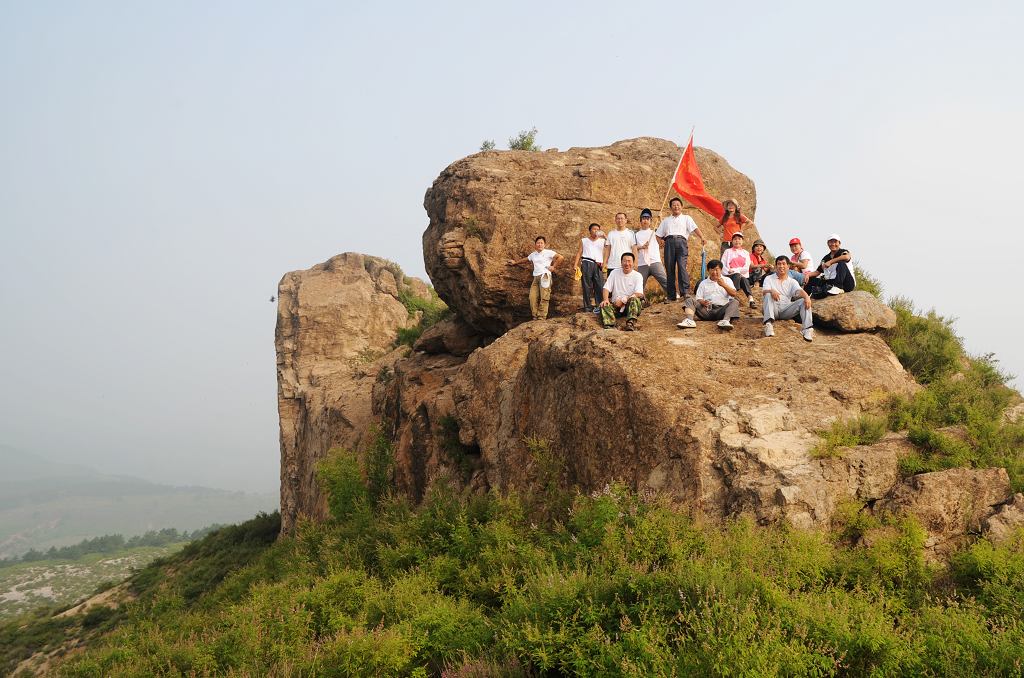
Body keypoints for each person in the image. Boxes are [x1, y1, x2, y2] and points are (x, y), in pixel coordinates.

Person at [655, 197, 708, 301]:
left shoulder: (687, 218)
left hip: (681, 242)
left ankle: (685, 292)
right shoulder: (666, 220)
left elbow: (695, 228)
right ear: (670, 208)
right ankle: (671, 296)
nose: (676, 206)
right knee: (669, 269)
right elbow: (658, 234)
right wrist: (660, 241)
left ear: (681, 206)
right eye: (673, 205)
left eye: (678, 204)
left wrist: (702, 237)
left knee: (682, 266)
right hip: (669, 242)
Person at [505, 236, 564, 321]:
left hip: (545, 276)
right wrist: (515, 262)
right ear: (535, 245)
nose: (540, 244)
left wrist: (553, 267)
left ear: (544, 244)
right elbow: (526, 259)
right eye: (538, 243)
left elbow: (561, 257)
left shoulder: (548, 252)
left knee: (544, 297)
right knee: (532, 297)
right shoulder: (533, 254)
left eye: (541, 243)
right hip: (536, 277)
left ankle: (541, 317)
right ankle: (535, 316)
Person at [676, 259, 744, 330]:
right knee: (689, 299)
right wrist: (703, 302)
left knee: (734, 301)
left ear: (721, 270)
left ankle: (725, 321)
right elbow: (698, 298)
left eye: (717, 270)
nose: (714, 272)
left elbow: (734, 294)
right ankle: (689, 320)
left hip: (722, 310)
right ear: (708, 270)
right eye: (712, 270)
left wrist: (724, 285)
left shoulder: (727, 280)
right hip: (706, 311)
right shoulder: (703, 283)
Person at [762, 256, 814, 341]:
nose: (781, 266)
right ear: (776, 266)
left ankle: (807, 329)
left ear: (788, 266)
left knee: (803, 300)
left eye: (783, 264)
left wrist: (806, 297)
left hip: (786, 309)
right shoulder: (769, 278)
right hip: (773, 308)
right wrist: (771, 291)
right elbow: (764, 291)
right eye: (779, 264)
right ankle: (768, 325)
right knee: (768, 294)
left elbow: (799, 291)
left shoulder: (792, 281)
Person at [600, 252, 645, 331]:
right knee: (604, 305)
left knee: (634, 299)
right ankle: (610, 325)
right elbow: (606, 288)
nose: (627, 264)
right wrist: (606, 299)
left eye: (629, 261)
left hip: (630, 306)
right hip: (616, 306)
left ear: (633, 263)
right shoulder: (614, 273)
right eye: (624, 261)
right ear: (621, 263)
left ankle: (630, 324)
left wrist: (623, 300)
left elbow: (639, 293)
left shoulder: (638, 276)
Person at [804, 233, 856, 298]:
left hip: (847, 283)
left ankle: (838, 287)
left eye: (835, 242)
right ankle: (805, 296)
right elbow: (817, 272)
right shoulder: (825, 258)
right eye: (831, 242)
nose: (833, 244)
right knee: (811, 279)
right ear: (828, 244)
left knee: (841, 263)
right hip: (832, 282)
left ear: (839, 243)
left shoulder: (843, 252)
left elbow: (847, 257)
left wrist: (831, 262)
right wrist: (808, 275)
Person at [572, 223, 606, 312]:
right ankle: (587, 306)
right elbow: (579, 252)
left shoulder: (602, 241)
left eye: (597, 229)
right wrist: (575, 264)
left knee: (599, 285)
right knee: (586, 285)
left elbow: (609, 248)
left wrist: (605, 236)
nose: (595, 231)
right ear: (590, 231)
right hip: (587, 262)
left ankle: (599, 305)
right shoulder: (584, 240)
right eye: (594, 229)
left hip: (598, 264)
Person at [634, 208, 668, 294]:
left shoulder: (655, 232)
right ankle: (638, 302)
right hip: (642, 263)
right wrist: (641, 247)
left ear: (650, 221)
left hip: (655, 261)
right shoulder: (636, 234)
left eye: (647, 218)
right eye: (643, 218)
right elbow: (633, 247)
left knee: (665, 280)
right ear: (640, 220)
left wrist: (660, 219)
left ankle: (673, 296)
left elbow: (665, 231)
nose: (645, 220)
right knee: (639, 285)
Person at [721, 232, 756, 308]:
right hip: (729, 276)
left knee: (742, 278)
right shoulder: (727, 251)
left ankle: (751, 300)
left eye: (739, 239)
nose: (737, 241)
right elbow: (723, 265)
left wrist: (734, 270)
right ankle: (732, 296)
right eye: (735, 239)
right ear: (732, 241)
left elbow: (746, 268)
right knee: (738, 276)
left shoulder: (746, 253)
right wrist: (730, 271)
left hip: (740, 277)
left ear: (742, 241)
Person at [603, 212, 636, 278]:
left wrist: (635, 263)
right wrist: (604, 263)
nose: (620, 220)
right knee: (611, 287)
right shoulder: (611, 233)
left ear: (626, 220)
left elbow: (634, 249)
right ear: (615, 220)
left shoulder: (630, 233)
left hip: (626, 265)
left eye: (622, 218)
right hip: (612, 265)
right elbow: (608, 250)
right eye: (618, 218)